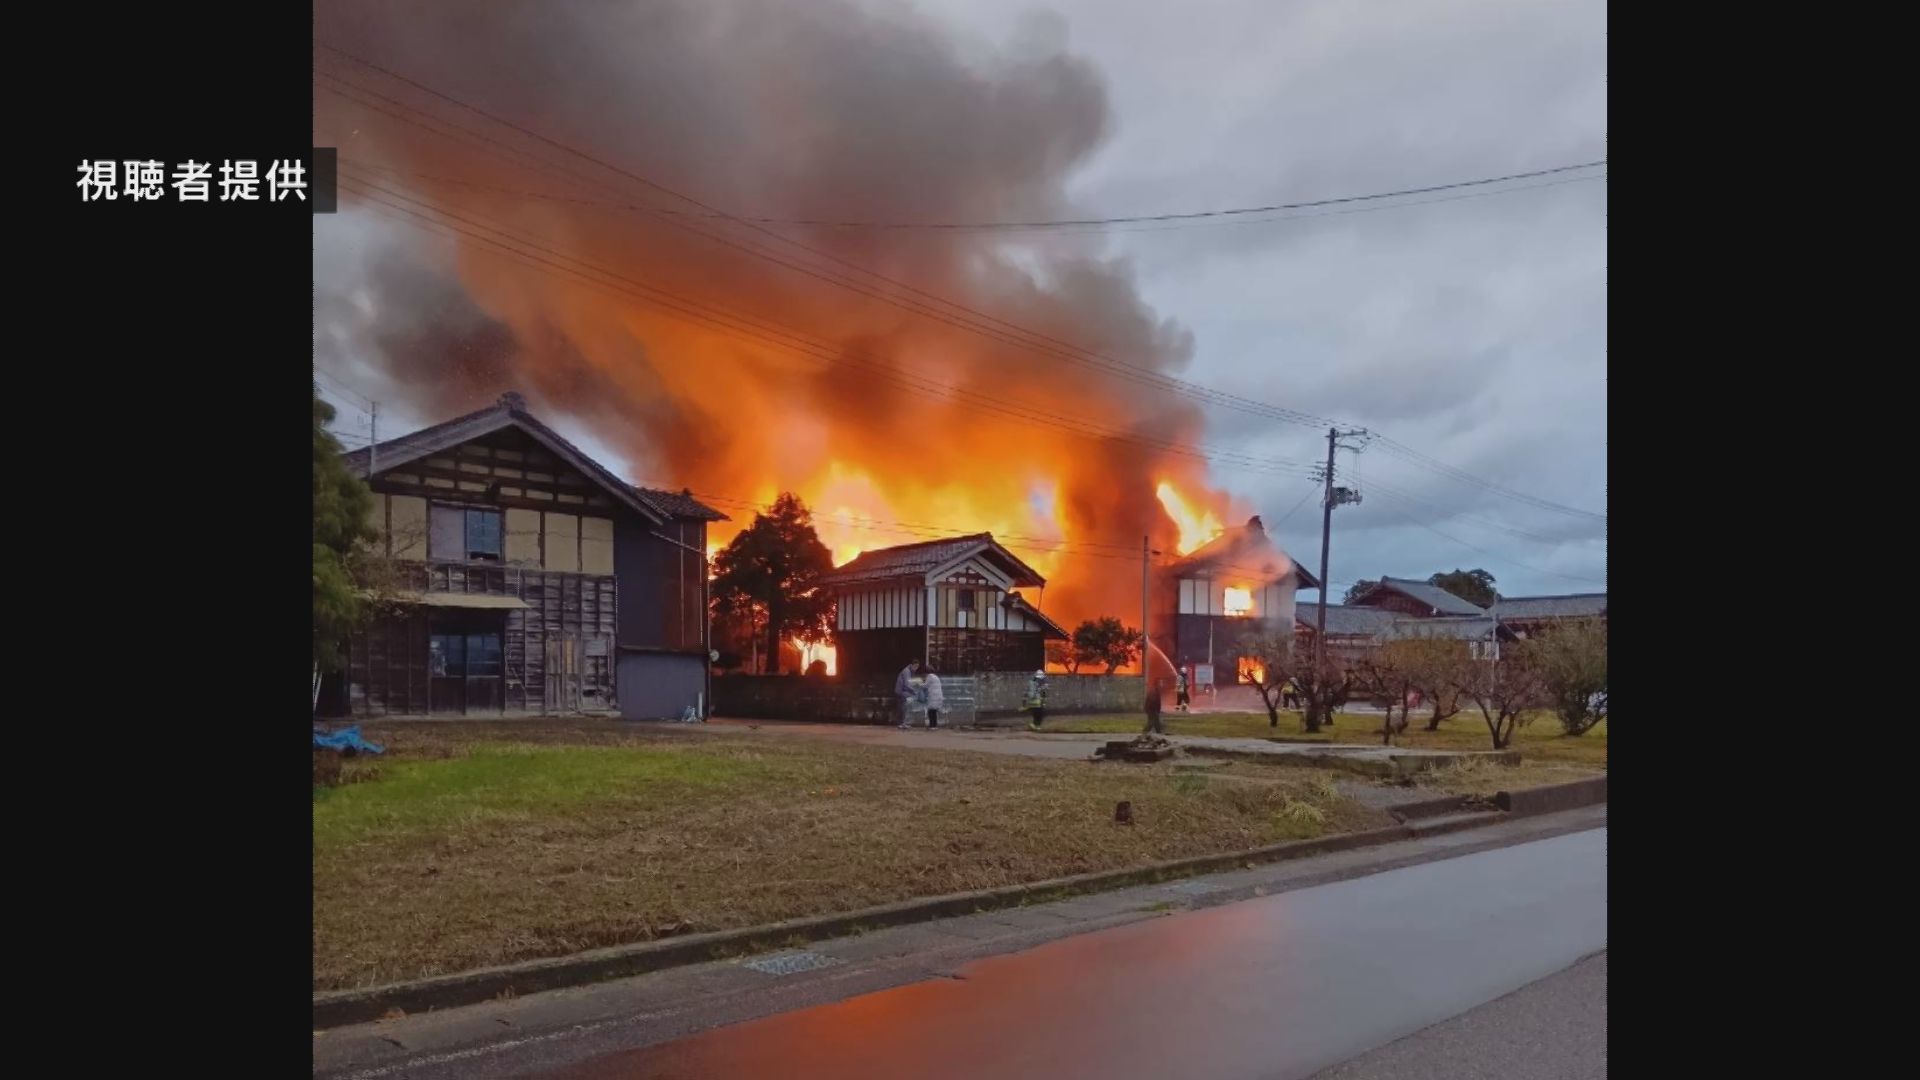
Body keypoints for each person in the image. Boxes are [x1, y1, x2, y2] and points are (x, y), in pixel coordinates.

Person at [895, 659, 921, 729]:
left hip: (902, 691)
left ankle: (902, 723)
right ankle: (902, 723)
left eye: (917, 667)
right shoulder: (907, 671)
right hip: (901, 692)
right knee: (903, 707)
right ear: (911, 665)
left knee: (903, 707)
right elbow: (907, 684)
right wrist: (914, 691)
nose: (916, 668)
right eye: (915, 666)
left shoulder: (909, 671)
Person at [923, 665, 945, 729]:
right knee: (934, 711)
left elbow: (925, 685)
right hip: (938, 696)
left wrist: (918, 683)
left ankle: (932, 725)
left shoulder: (930, 676)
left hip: (933, 696)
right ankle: (934, 725)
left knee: (931, 711)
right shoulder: (935, 676)